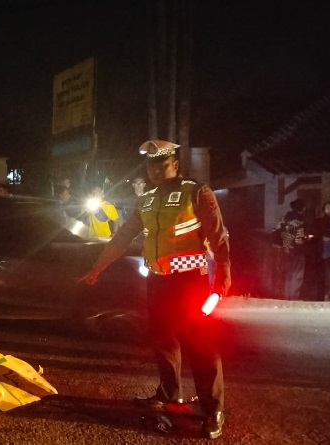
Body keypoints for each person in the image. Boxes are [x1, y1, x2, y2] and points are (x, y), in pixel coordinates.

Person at [79, 140, 231, 440]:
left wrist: (224, 274)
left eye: (163, 164)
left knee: (201, 346)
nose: (156, 170)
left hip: (191, 283)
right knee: (163, 341)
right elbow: (123, 236)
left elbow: (217, 235)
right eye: (151, 166)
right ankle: (169, 393)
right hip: (158, 281)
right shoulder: (146, 200)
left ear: (175, 164)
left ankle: (213, 408)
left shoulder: (196, 192)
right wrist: (99, 266)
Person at [275, 198, 310, 300]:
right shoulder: (303, 220)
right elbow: (308, 235)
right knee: (297, 274)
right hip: (298, 250)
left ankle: (287, 296)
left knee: (288, 274)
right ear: (303, 208)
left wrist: (282, 241)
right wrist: (306, 238)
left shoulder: (285, 218)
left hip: (286, 250)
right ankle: (294, 297)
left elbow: (276, 231)